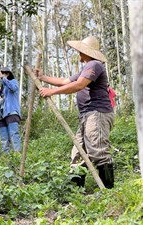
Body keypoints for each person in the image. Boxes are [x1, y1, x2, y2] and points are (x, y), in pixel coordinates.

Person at [36, 36, 115, 189]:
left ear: (88, 52)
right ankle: (77, 193)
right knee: (78, 153)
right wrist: (42, 77)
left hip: (97, 113)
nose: (79, 55)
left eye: (81, 52)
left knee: (97, 151)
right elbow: (66, 82)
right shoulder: (86, 67)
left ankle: (109, 192)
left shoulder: (95, 65)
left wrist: (52, 92)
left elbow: (78, 85)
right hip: (87, 115)